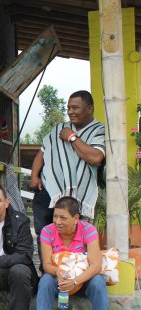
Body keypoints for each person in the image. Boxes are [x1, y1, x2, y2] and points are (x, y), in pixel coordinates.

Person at [29, 197, 114, 310]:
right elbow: (47, 265)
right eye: (55, 216)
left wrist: (75, 281)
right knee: (46, 280)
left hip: (83, 280)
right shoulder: (47, 231)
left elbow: (95, 265)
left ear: (76, 218)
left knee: (98, 281)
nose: (57, 221)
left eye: (63, 218)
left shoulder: (88, 230)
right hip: (59, 280)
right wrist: (58, 272)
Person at [30, 90, 105, 244]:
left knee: (74, 237)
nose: (70, 112)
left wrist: (71, 137)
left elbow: (95, 157)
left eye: (75, 108)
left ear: (89, 109)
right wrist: (34, 176)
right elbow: (43, 151)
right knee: (44, 234)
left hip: (78, 195)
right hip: (49, 190)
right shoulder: (59, 128)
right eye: (68, 108)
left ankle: (71, 267)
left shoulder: (99, 130)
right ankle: (47, 268)